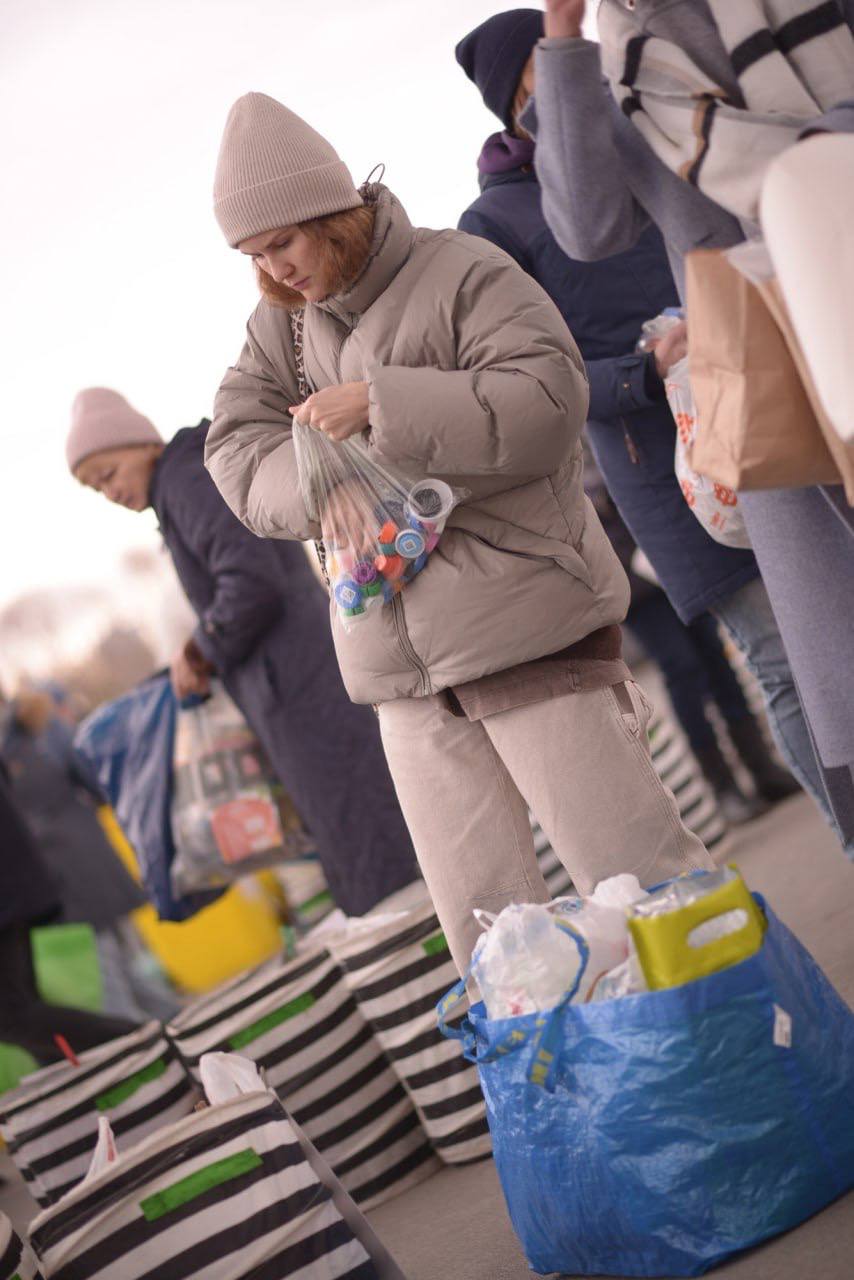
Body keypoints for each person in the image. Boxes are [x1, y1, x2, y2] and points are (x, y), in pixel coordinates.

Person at [202, 91, 714, 976]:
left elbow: (553, 404)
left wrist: (385, 409)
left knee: (647, 890)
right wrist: (331, 492)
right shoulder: (275, 332)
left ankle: (754, 1075)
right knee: (496, 954)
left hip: (528, 637)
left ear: (329, 211)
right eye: (252, 256)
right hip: (400, 678)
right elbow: (236, 455)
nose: (274, 272)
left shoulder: (464, 270)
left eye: (281, 242)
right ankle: (576, 1114)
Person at [524, 0, 854, 859]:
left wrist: (807, 180)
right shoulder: (613, 65)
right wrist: (562, 39)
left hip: (842, 263)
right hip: (758, 357)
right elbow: (591, 226)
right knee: (829, 655)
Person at [455, 10, 800, 822]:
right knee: (772, 657)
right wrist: (647, 370)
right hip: (659, 470)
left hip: (751, 399)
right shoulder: (495, 226)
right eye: (545, 74)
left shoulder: (637, 137)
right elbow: (536, 377)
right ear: (517, 98)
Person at [67, 388, 420, 918]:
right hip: (296, 681)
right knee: (362, 828)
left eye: (109, 472)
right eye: (97, 488)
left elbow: (251, 583)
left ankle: (425, 963)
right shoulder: (180, 484)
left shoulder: (185, 478)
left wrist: (202, 648)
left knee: (365, 833)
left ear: (141, 443)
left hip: (299, 685)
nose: (110, 491)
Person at [0, 753, 138, 1064]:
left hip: (9, 892)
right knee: (22, 1008)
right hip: (16, 883)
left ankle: (144, 1044)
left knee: (12, 1016)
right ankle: (86, 1092)